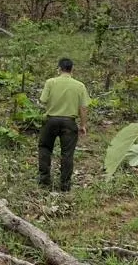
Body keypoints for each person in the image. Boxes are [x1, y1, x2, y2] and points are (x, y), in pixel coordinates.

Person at [37, 57, 90, 191]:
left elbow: (42, 100)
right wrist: (83, 125)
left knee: (45, 148)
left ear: (59, 69)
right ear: (72, 69)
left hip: (51, 121)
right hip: (69, 123)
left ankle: (44, 180)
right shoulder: (79, 85)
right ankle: (65, 185)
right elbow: (83, 108)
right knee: (67, 153)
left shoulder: (50, 82)